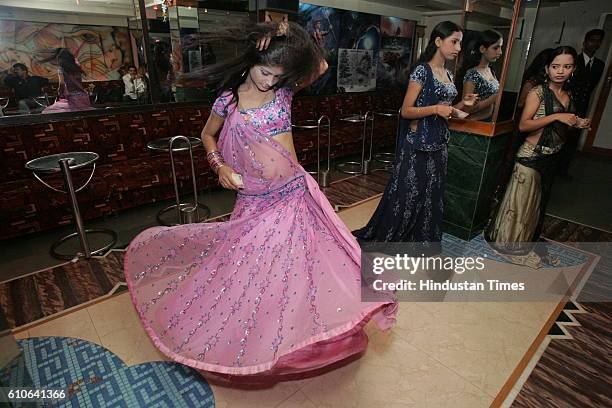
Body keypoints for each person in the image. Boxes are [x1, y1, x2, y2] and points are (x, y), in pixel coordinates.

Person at [124, 21, 396, 381]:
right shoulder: (229, 99)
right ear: (250, 60)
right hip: (254, 200)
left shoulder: (284, 92)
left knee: (294, 270)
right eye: (264, 71)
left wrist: (290, 31)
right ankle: (247, 338)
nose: (269, 81)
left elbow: (322, 66)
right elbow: (207, 135)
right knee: (246, 273)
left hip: (293, 197)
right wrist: (218, 164)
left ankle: (294, 337)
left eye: (278, 75)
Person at [354, 21, 477, 251]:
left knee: (431, 194)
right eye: (454, 42)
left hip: (439, 143)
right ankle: (394, 236)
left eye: (460, 42)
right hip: (418, 143)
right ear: (438, 42)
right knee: (408, 193)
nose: (459, 48)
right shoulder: (422, 70)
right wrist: (436, 109)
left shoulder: (448, 73)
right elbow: (406, 110)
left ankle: (421, 239)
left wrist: (463, 104)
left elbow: (446, 109)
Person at [485, 46, 590, 268]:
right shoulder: (538, 92)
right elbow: (524, 125)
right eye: (555, 66)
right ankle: (510, 247)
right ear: (547, 68)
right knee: (522, 205)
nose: (561, 71)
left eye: (567, 66)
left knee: (536, 206)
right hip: (531, 157)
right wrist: (558, 116)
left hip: (552, 157)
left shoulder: (568, 95)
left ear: (574, 69)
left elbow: (561, 128)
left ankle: (527, 241)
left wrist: (577, 123)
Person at [558, 29, 605, 178]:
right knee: (560, 136)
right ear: (585, 43)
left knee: (573, 139)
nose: (595, 44)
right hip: (568, 104)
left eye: (598, 41)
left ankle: (563, 169)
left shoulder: (599, 65)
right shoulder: (574, 61)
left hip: (582, 106)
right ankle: (553, 167)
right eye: (592, 40)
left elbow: (591, 87)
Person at [457, 30, 503, 121]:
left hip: (489, 123)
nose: (500, 52)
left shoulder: (492, 71)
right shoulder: (472, 74)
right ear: (482, 49)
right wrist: (492, 99)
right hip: (475, 124)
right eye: (495, 48)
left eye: (500, 48)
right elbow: (466, 108)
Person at [42, 48, 92, 113]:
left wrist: (59, 92)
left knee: (46, 112)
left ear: (60, 59)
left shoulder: (61, 69)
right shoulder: (77, 67)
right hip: (84, 98)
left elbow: (62, 84)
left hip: (72, 100)